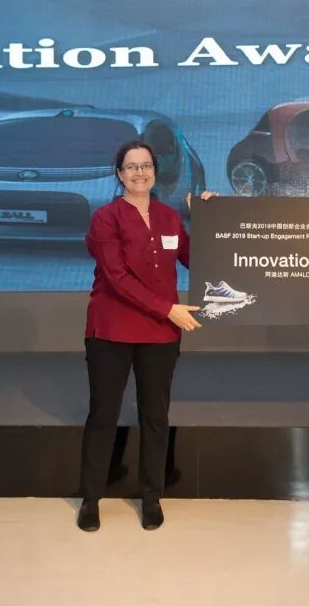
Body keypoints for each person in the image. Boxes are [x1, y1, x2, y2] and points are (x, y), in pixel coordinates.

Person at [77, 140, 215, 532]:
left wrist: (209, 218)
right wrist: (168, 308)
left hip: (160, 334)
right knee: (103, 415)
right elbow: (117, 278)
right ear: (120, 174)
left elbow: (197, 260)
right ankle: (90, 498)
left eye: (146, 166)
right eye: (132, 166)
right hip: (111, 330)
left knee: (155, 416)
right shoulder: (105, 218)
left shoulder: (170, 217)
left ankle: (151, 497)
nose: (140, 173)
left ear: (156, 171)